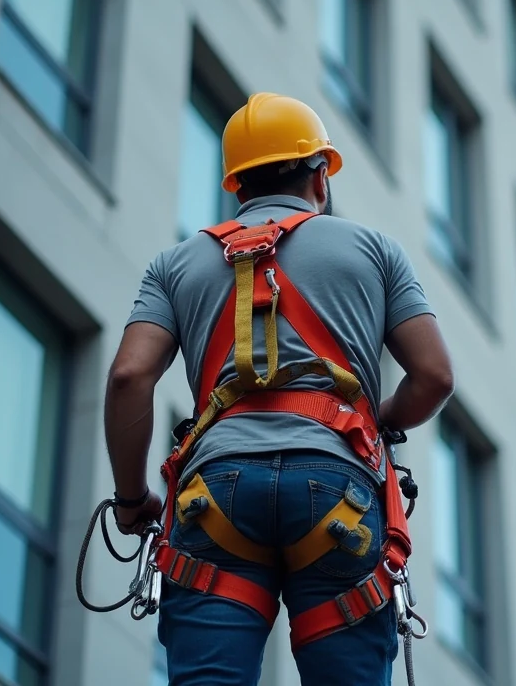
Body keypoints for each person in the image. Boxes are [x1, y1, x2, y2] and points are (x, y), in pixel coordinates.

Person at [101, 93, 454, 685]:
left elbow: (129, 376)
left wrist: (132, 499)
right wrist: (381, 423)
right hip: (337, 496)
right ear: (320, 176)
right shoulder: (374, 250)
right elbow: (435, 377)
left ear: (236, 184)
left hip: (215, 497)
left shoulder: (175, 264)